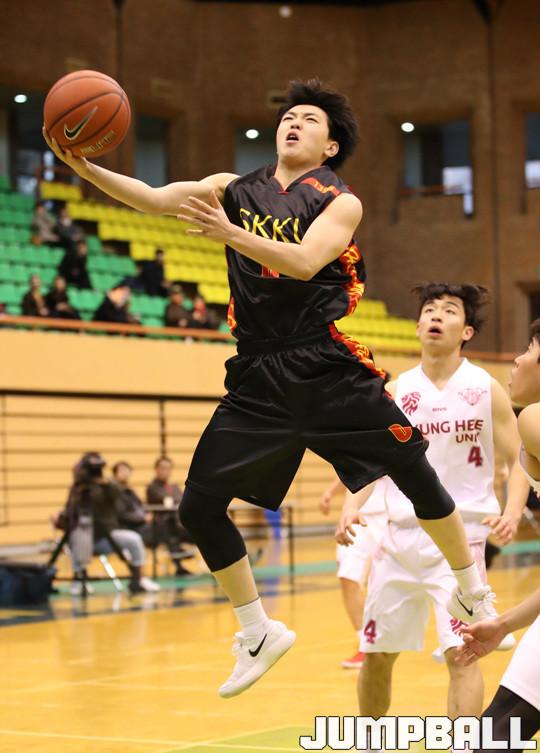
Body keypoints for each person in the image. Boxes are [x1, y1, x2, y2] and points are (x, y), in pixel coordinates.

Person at [45, 78, 498, 699]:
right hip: (258, 374)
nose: (293, 122)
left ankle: (471, 587)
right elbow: (152, 199)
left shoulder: (340, 201)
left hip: (323, 364)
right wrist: (84, 167)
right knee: (197, 508)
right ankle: (257, 630)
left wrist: (229, 234)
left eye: (309, 119)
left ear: (330, 145)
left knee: (415, 472)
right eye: (289, 116)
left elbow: (306, 262)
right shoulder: (233, 188)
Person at [336, 282, 529, 723]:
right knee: (376, 653)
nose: (436, 316)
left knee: (463, 653)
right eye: (429, 310)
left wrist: (513, 509)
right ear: (418, 325)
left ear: (467, 331)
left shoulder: (485, 388)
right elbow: (374, 461)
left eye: (449, 310)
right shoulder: (396, 391)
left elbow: (520, 457)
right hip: (398, 542)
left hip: (461, 544)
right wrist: (351, 504)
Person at [455, 318, 540, 750]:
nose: (517, 360)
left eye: (529, 349)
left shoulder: (536, 417)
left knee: (494, 736)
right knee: (498, 731)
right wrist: (504, 623)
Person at [54, 452, 159, 595]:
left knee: (133, 539)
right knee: (78, 537)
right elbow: (70, 510)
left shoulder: (107, 486)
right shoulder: (78, 488)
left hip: (107, 536)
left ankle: (139, 579)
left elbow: (117, 497)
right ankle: (79, 579)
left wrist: (106, 483)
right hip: (83, 534)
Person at [320, 477, 387, 669]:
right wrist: (330, 492)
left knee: (386, 584)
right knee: (347, 576)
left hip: (387, 515)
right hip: (355, 514)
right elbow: (352, 467)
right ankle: (365, 644)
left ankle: (453, 632)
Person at [146, 457, 194, 575]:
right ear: (156, 469)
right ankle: (180, 559)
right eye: (162, 468)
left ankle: (183, 553)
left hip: (179, 524)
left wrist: (175, 501)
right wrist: (175, 501)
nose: (165, 471)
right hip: (161, 527)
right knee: (171, 531)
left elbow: (183, 500)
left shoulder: (174, 486)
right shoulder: (152, 487)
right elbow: (165, 501)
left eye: (168, 468)